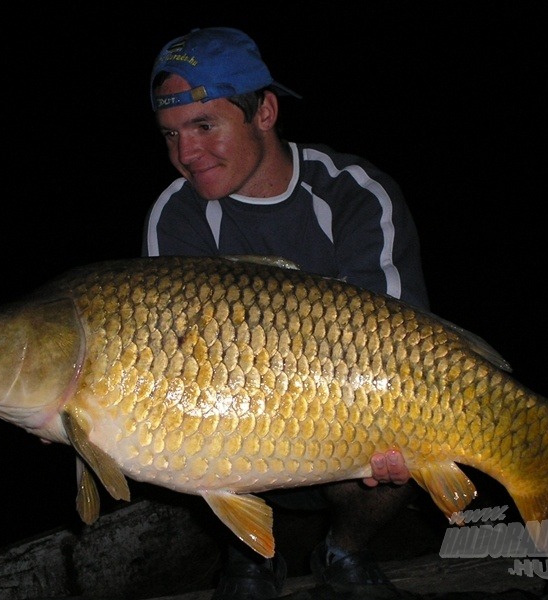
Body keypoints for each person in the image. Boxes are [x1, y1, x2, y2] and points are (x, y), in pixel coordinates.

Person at [142, 27, 429, 600]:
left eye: (205, 126)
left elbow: (401, 349)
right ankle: (249, 557)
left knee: (409, 436)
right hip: (236, 421)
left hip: (342, 422)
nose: (186, 155)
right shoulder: (176, 217)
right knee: (184, 438)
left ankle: (344, 550)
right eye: (171, 134)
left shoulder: (353, 193)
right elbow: (167, 366)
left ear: (265, 111)